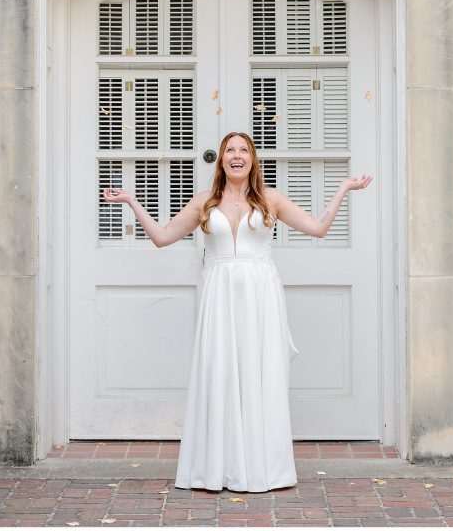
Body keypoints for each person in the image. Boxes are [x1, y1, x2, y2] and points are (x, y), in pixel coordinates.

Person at [102, 131, 373, 492]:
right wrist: (133, 202)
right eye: (230, 149)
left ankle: (262, 468)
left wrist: (343, 189)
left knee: (258, 376)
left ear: (252, 159)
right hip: (219, 298)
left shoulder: (270, 199)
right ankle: (217, 468)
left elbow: (318, 228)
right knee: (220, 375)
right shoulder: (205, 202)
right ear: (221, 160)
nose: (236, 155)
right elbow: (163, 236)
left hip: (260, 299)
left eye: (244, 150)